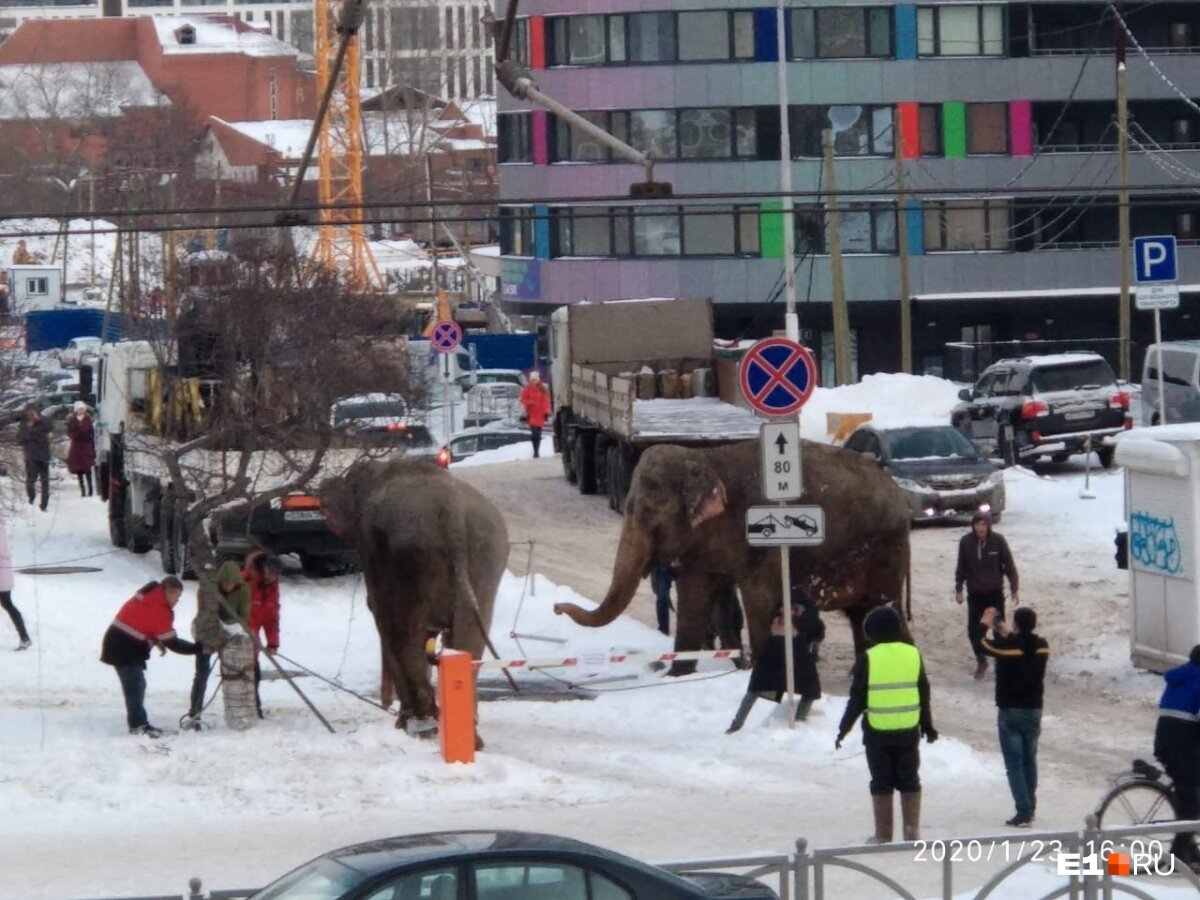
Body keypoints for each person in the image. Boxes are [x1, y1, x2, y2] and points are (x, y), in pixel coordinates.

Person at [837, 605, 937, 844]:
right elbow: (923, 691)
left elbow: (857, 698)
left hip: (878, 730)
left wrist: (844, 728)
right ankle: (912, 832)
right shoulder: (912, 653)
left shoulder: (869, 658)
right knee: (909, 778)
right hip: (908, 728)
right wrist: (927, 725)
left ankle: (883, 835)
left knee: (881, 781)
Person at [100, 577, 199, 736]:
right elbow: (173, 643)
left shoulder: (150, 596)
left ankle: (139, 722)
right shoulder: (157, 607)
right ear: (168, 592)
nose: (177, 602)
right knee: (135, 686)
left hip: (122, 644)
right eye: (176, 597)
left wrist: (155, 639)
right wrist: (198, 649)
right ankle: (137, 725)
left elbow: (142, 623)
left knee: (137, 684)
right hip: (124, 648)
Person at [980, 605, 1049, 827]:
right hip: (1034, 710)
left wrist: (985, 622)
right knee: (1030, 760)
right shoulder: (1042, 646)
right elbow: (1020, 646)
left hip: (1011, 710)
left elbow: (980, 643)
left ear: (1017, 624)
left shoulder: (1009, 647)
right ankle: (1031, 804)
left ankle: (1024, 809)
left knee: (1015, 764)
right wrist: (1006, 631)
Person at [726, 591, 824, 733]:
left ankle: (737, 723)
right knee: (811, 689)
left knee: (756, 687)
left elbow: (769, 621)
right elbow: (816, 630)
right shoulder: (809, 606)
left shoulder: (781, 600)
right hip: (798, 651)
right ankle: (799, 722)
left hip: (772, 650)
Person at [186, 559, 252, 726]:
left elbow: (243, 616)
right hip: (207, 635)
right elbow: (206, 616)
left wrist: (231, 627)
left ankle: (242, 710)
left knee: (240, 671)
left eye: (232, 583)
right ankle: (195, 712)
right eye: (226, 582)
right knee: (202, 674)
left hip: (231, 635)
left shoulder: (243, 590)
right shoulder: (208, 590)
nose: (229, 586)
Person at [955, 510, 1020, 680]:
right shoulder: (966, 542)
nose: (980, 528)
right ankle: (981, 660)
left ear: (989, 525)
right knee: (974, 631)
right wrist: (959, 589)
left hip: (994, 595)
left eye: (983, 524)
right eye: (977, 524)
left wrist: (1014, 588)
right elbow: (961, 567)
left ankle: (1003, 662)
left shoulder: (998, 541)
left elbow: (1009, 565)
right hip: (975, 595)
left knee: (999, 629)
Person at [1154, 644, 1200, 869]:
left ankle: (1190, 849)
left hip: (1166, 745)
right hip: (1184, 750)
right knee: (1191, 803)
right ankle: (1178, 855)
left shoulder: (1180, 677)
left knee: (1189, 794)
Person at [244, 550, 282, 718]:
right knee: (245, 674)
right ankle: (247, 708)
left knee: (255, 674)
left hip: (254, 641)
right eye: (270, 573)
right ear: (264, 568)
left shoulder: (272, 588)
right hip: (242, 637)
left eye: (276, 574)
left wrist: (272, 643)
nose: (272, 577)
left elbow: (271, 618)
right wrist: (249, 635)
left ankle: (254, 707)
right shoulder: (246, 580)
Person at [0, 517, 30, 650]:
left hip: (1, 573)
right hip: (3, 573)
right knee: (8, 604)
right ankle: (25, 638)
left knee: (7, 604)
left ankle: (25, 638)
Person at [18, 405, 52, 511]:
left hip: (43, 456)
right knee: (30, 480)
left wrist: (39, 420)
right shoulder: (24, 425)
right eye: (30, 413)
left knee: (44, 481)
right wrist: (27, 433)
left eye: (34, 412)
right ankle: (31, 499)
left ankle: (44, 505)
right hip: (31, 456)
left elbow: (50, 427)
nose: (32, 415)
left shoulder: (43, 423)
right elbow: (20, 440)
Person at [518, 371, 552, 459]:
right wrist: (530, 403)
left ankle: (537, 450)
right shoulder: (527, 388)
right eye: (532, 380)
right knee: (534, 434)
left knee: (538, 434)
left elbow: (546, 401)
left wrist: (546, 413)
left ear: (538, 380)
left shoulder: (542, 389)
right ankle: (535, 451)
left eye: (535, 380)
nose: (534, 381)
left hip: (540, 414)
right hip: (531, 414)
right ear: (530, 380)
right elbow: (522, 399)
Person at [66, 401, 95, 497]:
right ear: (76, 410)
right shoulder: (73, 420)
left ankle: (90, 489)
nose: (81, 411)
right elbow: (69, 432)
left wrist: (88, 437)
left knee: (87, 468)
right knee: (79, 469)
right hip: (77, 447)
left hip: (86, 446)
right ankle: (82, 490)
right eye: (79, 409)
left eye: (82, 409)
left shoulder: (88, 419)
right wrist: (76, 435)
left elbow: (91, 431)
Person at [650, 562, 675, 635]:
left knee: (662, 598)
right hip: (661, 565)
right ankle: (663, 629)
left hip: (667, 564)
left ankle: (664, 629)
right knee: (662, 598)